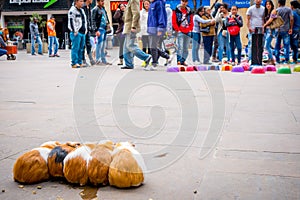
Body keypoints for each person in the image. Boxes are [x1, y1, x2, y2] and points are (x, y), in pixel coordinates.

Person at [121, 0, 152, 69]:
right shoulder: (130, 1)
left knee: (130, 45)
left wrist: (134, 26)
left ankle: (146, 57)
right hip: (128, 27)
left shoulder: (133, 1)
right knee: (126, 47)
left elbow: (136, 13)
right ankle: (129, 64)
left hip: (131, 27)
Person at [147, 0, 170, 70]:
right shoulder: (152, 4)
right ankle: (166, 56)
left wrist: (160, 28)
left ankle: (154, 64)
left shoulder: (159, 3)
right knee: (153, 47)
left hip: (156, 28)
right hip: (151, 28)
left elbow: (161, 15)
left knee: (153, 47)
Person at [172, 0, 194, 66]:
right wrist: (177, 29)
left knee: (186, 48)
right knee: (180, 47)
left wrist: (190, 29)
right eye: (183, 1)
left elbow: (191, 20)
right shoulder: (176, 10)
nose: (184, 3)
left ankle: (183, 61)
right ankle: (178, 61)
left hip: (188, 31)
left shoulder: (189, 11)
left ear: (187, 2)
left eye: (185, 1)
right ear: (180, 1)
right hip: (180, 31)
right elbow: (174, 21)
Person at [68, 0, 87, 68]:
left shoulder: (82, 10)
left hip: (83, 32)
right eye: (80, 1)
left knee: (81, 48)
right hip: (76, 33)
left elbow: (84, 21)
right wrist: (74, 31)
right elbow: (71, 21)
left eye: (82, 1)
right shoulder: (72, 10)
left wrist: (86, 30)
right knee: (75, 48)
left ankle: (79, 62)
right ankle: (74, 63)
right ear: (76, 2)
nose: (82, 3)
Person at [82, 0, 96, 66]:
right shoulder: (83, 7)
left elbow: (90, 19)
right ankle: (83, 60)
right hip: (83, 29)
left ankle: (91, 59)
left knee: (88, 44)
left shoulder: (89, 7)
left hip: (88, 29)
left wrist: (91, 27)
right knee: (82, 45)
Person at [263, 0, 276, 65]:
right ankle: (271, 60)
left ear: (271, 5)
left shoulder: (274, 11)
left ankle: (272, 59)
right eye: (267, 4)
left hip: (271, 30)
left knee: (266, 45)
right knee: (267, 46)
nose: (268, 5)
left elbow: (271, 20)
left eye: (269, 4)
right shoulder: (265, 12)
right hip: (266, 30)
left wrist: (264, 25)